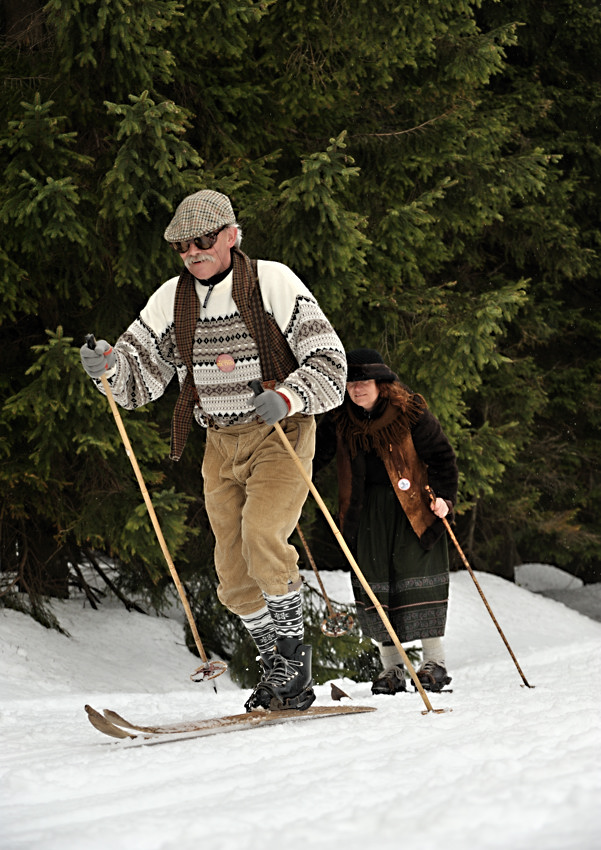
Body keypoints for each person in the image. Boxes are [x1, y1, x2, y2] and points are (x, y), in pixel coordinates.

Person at [80, 189, 347, 711]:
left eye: (203, 240)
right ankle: (282, 670)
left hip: (279, 435)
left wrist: (288, 397)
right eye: (182, 245)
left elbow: (330, 362)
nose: (193, 252)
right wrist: (107, 368)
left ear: (231, 235)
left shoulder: (273, 281)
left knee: (263, 535)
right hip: (219, 442)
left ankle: (294, 660)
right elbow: (140, 377)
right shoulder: (171, 300)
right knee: (231, 568)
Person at [314, 348, 458, 694]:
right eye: (350, 383)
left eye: (362, 382)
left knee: (417, 580)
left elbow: (442, 457)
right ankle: (392, 670)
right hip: (365, 514)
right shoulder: (339, 420)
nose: (356, 389)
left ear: (381, 384)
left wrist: (443, 498)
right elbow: (314, 456)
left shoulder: (409, 413)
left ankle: (433, 665)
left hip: (414, 512)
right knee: (377, 585)